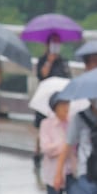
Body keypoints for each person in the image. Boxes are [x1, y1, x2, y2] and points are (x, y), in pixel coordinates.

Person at [41, 93, 85, 194]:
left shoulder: (73, 123)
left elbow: (77, 146)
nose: (65, 109)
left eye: (67, 104)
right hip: (53, 175)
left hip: (71, 172)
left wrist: (69, 147)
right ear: (55, 108)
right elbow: (47, 148)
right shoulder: (47, 124)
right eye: (62, 106)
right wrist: (65, 146)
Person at [33, 32, 70, 179]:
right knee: (43, 127)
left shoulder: (63, 61)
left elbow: (68, 77)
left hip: (60, 99)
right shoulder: (43, 60)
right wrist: (49, 61)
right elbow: (41, 75)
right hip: (46, 98)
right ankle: (38, 152)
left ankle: (60, 150)